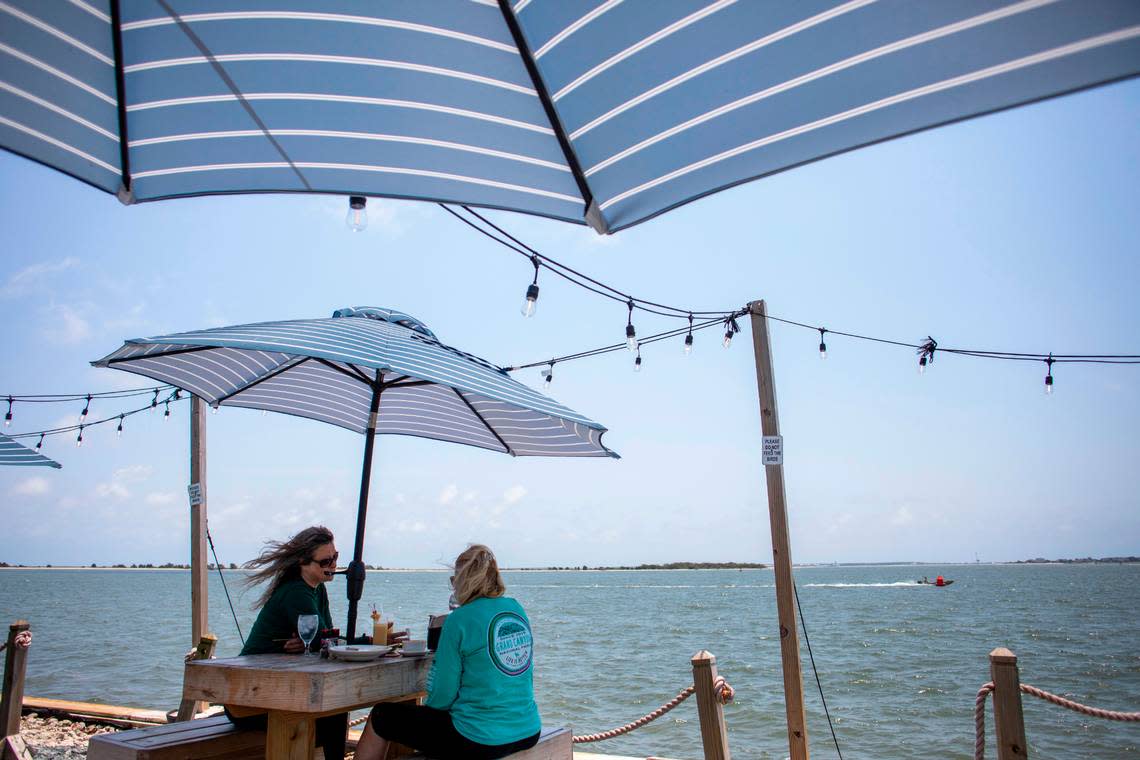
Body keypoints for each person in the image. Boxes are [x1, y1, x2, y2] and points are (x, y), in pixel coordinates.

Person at [355, 544, 542, 760]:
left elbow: (442, 696)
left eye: (455, 580)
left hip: (479, 738)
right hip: (527, 729)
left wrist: (430, 713)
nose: (453, 586)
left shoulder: (459, 619)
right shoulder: (515, 608)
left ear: (465, 582)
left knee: (382, 716)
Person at [228, 526, 347, 760]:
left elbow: (325, 638)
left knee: (334, 712)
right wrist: (317, 643)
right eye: (325, 561)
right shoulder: (296, 592)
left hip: (277, 691)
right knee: (332, 715)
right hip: (249, 698)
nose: (333, 565)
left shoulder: (317, 589)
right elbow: (326, 641)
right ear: (304, 561)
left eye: (335, 557)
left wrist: (311, 644)